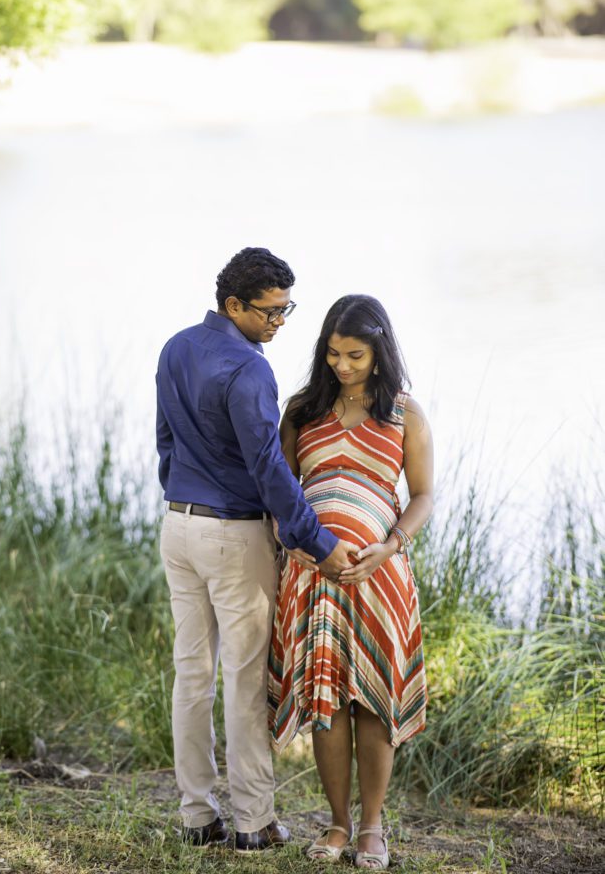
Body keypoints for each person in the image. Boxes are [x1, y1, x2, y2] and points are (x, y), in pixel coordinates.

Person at [156, 247, 355, 853]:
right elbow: (269, 469)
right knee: (244, 679)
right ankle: (252, 822)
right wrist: (318, 541)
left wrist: (182, 492)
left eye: (286, 309)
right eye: (270, 312)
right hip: (232, 535)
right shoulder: (250, 369)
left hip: (177, 527)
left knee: (191, 674)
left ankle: (196, 816)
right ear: (233, 305)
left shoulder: (176, 347)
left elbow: (164, 441)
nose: (280, 323)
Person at [268, 294, 433, 870]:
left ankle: (371, 827)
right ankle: (337, 822)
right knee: (327, 700)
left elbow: (423, 495)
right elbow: (278, 492)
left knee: (372, 702)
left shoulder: (404, 414)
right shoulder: (302, 411)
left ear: (380, 351)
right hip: (315, 578)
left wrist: (389, 547)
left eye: (356, 355)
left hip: (379, 578)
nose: (343, 365)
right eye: (334, 354)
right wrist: (298, 545)